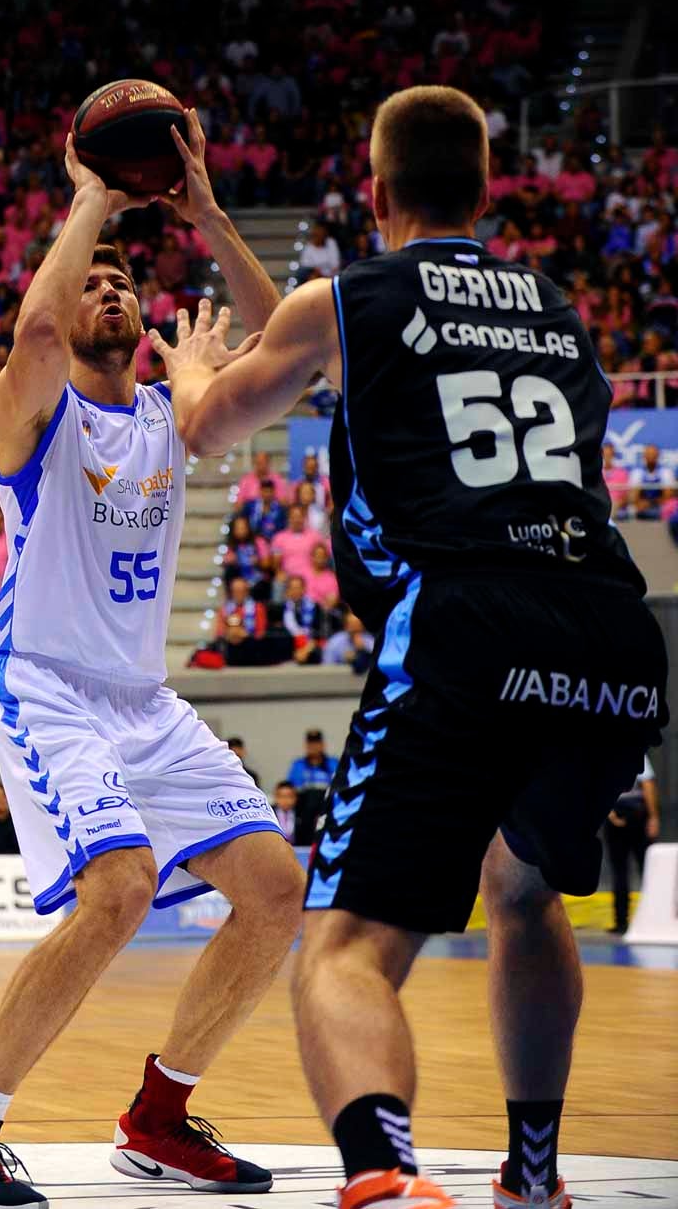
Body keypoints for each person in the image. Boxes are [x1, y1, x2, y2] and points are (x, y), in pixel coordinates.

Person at [148, 86, 667, 1209]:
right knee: (520, 887)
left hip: (468, 625)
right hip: (611, 631)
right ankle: (531, 1180)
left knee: (340, 949)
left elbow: (210, 423)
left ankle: (384, 1174)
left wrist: (192, 369)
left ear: (372, 192)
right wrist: (215, 223)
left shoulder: (360, 299)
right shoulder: (557, 314)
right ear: (484, 190)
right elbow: (321, 338)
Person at [0, 110, 303, 1208]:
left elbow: (292, 348)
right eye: (93, 282)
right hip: (43, 680)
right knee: (118, 889)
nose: (110, 291)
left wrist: (209, 214)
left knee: (276, 888)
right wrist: (90, 195)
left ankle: (159, 1119)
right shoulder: (37, 416)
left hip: (139, 697)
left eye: (125, 281)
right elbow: (33, 334)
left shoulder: (173, 418)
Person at [604, 757, 660, 935]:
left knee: (644, 870)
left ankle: (629, 921)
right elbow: (648, 784)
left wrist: (652, 817)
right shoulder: (634, 753)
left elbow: (648, 783)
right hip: (627, 814)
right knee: (624, 871)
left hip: (633, 815)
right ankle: (622, 921)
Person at [272, 780, 318, 846]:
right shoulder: (269, 814)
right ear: (275, 797)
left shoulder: (304, 814)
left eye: (289, 796)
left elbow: (308, 837)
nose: (285, 800)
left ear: (295, 797)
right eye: (281, 796)